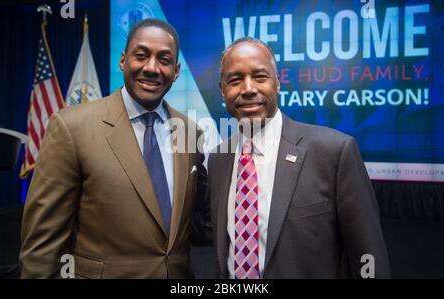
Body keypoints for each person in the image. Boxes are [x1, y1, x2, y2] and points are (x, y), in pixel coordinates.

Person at [20, 18, 210, 278]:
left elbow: (194, 224)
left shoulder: (191, 133)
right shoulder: (71, 127)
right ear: (123, 60)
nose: (152, 68)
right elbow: (42, 248)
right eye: (141, 55)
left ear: (176, 72)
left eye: (164, 60)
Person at [208, 37, 390, 279]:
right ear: (222, 90)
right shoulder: (218, 160)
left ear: (278, 83)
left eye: (260, 77)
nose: (248, 88)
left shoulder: (334, 151)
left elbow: (369, 255)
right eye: (235, 80)